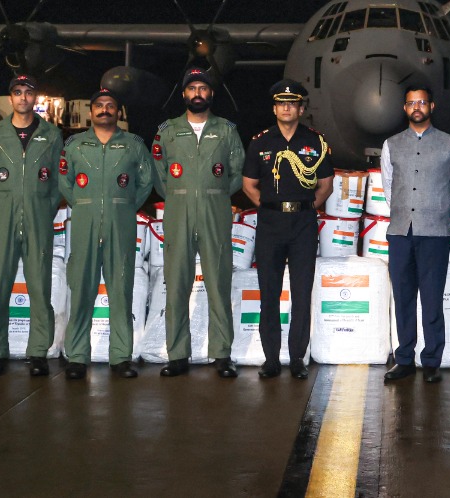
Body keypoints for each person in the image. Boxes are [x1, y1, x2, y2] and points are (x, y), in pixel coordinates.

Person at [154, 67, 245, 379]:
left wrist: (214, 193)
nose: (197, 93)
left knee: (218, 282)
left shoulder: (227, 130)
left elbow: (237, 171)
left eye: (202, 88)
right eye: (192, 88)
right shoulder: (168, 130)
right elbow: (158, 173)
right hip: (178, 210)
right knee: (176, 283)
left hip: (214, 210)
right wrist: (180, 194)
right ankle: (178, 354)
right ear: (184, 94)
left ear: (211, 94)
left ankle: (222, 354)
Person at [242, 80, 334, 379]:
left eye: (292, 104)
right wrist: (271, 206)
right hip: (270, 223)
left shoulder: (315, 142)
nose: (286, 108)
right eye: (281, 103)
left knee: (301, 292)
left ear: (301, 109)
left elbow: (326, 185)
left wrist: (303, 207)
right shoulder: (260, 142)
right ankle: (271, 358)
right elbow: (249, 185)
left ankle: (297, 358)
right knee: (269, 292)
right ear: (274, 108)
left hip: (303, 224)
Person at [61, 89, 156, 380]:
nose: (104, 109)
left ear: (118, 112)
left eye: (110, 105)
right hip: (85, 223)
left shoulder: (133, 144)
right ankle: (77, 357)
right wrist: (84, 204)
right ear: (91, 112)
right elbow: (64, 181)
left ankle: (121, 357)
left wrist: (124, 205)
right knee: (81, 290)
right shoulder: (75, 144)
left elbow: (146, 181)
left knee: (121, 289)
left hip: (121, 222)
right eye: (99, 105)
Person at [381, 86, 450, 385]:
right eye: (411, 103)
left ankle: (432, 360)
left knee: (432, 298)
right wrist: (406, 211)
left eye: (421, 102)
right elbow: (389, 186)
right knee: (403, 297)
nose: (416, 107)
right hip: (400, 232)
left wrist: (440, 213)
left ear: (431, 106)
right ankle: (404, 358)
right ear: (404, 108)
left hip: (435, 233)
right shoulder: (391, 145)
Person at [0, 75, 64, 378]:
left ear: (35, 98)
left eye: (28, 93)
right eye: (17, 92)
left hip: (38, 219)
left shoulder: (51, 134)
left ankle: (38, 352)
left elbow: (58, 180)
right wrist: (5, 203)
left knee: (40, 287)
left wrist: (41, 207)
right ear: (10, 98)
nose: (23, 98)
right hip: (3, 219)